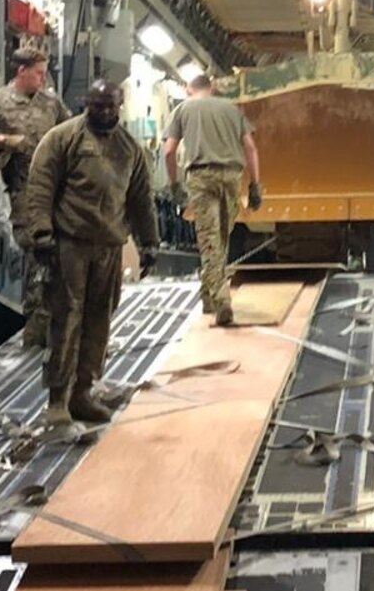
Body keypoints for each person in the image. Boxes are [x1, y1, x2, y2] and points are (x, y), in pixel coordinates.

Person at [20, 78, 160, 425]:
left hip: (109, 248)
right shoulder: (63, 138)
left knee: (99, 321)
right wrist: (40, 234)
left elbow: (142, 199)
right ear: (86, 103)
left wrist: (150, 242)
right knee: (66, 319)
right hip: (69, 245)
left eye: (110, 105)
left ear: (119, 105)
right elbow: (40, 186)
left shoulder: (129, 149)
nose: (104, 112)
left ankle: (82, 392)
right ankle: (57, 400)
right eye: (97, 106)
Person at [0, 40, 68, 349]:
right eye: (38, 73)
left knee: (60, 255)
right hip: (24, 190)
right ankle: (36, 331)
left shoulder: (51, 104)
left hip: (57, 190)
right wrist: (2, 139)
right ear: (21, 71)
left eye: (44, 73)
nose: (43, 78)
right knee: (37, 254)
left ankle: (53, 327)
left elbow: (71, 132)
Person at [162, 72, 262, 327]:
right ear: (213, 88)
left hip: (201, 177)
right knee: (221, 239)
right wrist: (255, 184)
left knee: (209, 241)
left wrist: (174, 184)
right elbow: (250, 147)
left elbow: (169, 151)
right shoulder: (230, 109)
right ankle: (208, 295)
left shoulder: (182, 110)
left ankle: (221, 299)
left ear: (188, 89)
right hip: (232, 176)